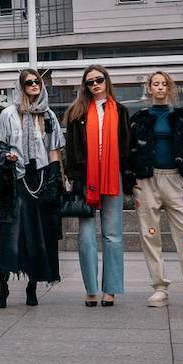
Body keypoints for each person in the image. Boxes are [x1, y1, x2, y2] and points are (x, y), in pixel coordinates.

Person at [127, 70, 183, 309]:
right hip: (147, 182)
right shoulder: (139, 118)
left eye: (164, 84)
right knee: (150, 235)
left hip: (176, 180)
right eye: (155, 84)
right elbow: (130, 151)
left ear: (169, 88)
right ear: (149, 88)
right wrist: (133, 181)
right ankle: (159, 287)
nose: (160, 88)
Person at [0, 70, 64, 309]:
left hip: (41, 178)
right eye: (28, 82)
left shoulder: (48, 114)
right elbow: (0, 146)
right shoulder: (8, 114)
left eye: (37, 82)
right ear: (21, 86)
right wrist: (7, 157)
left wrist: (55, 178)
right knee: (10, 236)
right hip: (15, 178)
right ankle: (3, 288)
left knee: (38, 235)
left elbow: (54, 149)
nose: (34, 85)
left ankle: (32, 286)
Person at [64, 65, 131, 308]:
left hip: (113, 177)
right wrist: (74, 178)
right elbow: (70, 150)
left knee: (113, 235)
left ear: (107, 81)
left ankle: (110, 289)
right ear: (85, 85)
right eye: (90, 81)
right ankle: (91, 289)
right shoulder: (76, 113)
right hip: (86, 179)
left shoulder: (121, 111)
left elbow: (126, 147)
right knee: (86, 237)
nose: (95, 84)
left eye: (99, 79)